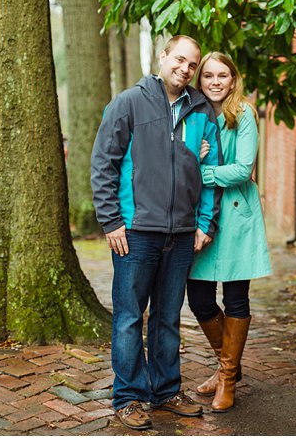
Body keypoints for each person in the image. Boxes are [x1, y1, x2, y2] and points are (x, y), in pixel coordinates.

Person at [90, 35, 222, 430]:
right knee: (130, 317)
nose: (185, 69)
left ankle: (166, 390)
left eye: (192, 65)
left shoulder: (200, 110)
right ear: (163, 57)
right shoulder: (129, 102)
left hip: (181, 233)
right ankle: (128, 396)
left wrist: (203, 223)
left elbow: (209, 172)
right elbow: (103, 163)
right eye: (179, 60)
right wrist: (111, 220)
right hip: (136, 232)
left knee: (167, 317)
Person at [187, 51, 272, 412]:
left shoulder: (245, 114)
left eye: (223, 75)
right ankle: (230, 369)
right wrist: (195, 158)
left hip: (237, 217)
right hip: (202, 216)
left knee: (236, 298)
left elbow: (242, 169)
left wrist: (204, 171)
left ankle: (226, 378)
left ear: (233, 80)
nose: (216, 82)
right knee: (200, 299)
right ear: (199, 80)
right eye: (208, 76)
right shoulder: (193, 114)